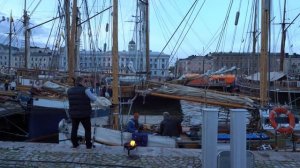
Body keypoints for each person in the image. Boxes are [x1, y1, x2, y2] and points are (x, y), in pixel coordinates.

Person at [67, 76, 97, 149]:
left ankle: (75, 144)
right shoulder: (85, 90)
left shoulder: (69, 90)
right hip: (84, 113)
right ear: (81, 82)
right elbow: (94, 98)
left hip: (74, 113)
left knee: (74, 129)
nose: (85, 83)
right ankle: (88, 145)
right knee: (87, 129)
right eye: (84, 81)